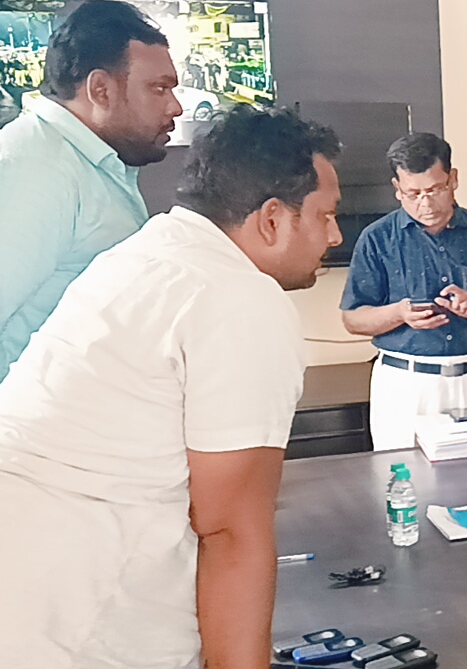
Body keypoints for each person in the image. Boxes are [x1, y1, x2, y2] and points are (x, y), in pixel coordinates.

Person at [0, 106, 343, 668]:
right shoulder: (239, 298)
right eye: (325, 215)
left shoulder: (143, 254)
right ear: (272, 219)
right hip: (71, 623)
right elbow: (230, 532)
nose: (334, 235)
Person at [0, 0, 183, 381]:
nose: (175, 107)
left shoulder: (91, 162)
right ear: (100, 90)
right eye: (159, 89)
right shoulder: (37, 168)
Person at [341, 132, 467, 450]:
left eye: (434, 190)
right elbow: (353, 319)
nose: (425, 203)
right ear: (397, 188)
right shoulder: (377, 238)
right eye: (413, 193)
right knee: (403, 474)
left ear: (453, 179)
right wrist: (398, 314)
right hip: (406, 383)